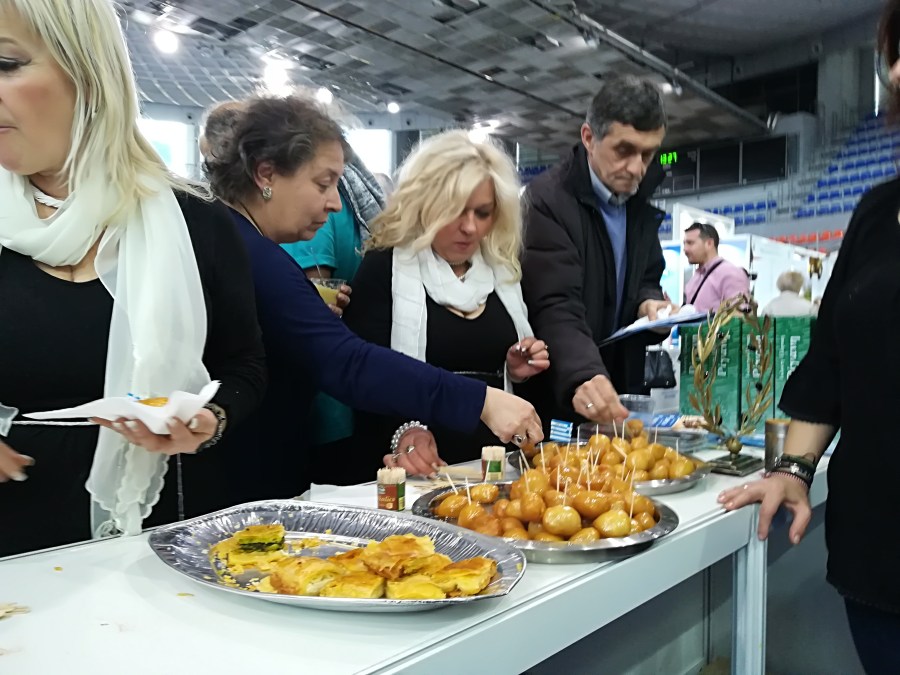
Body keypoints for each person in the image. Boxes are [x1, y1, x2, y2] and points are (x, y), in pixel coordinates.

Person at [0, 0, 266, 556]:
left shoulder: (196, 221)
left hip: (162, 531)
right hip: (16, 545)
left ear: (87, 70)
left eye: (6, 64)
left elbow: (244, 366)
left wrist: (211, 418)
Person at [204, 94, 543, 495]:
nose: (335, 203)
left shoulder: (237, 243)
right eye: (324, 183)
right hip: (240, 481)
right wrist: (481, 401)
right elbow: (348, 362)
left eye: (482, 212)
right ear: (266, 174)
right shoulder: (253, 255)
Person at [720, 3, 900, 670]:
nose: (898, 71)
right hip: (879, 563)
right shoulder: (877, 212)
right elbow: (830, 368)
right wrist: (792, 469)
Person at [342, 131, 549, 483]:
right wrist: (404, 431)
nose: (469, 227)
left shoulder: (504, 272)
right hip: (415, 473)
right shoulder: (385, 268)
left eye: (482, 213)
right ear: (424, 204)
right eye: (454, 211)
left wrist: (516, 371)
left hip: (494, 471)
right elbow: (366, 379)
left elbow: (515, 391)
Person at [520, 75, 672, 428]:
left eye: (648, 154)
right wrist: (583, 374)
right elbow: (554, 303)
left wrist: (648, 302)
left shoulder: (638, 204)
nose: (637, 168)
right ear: (589, 138)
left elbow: (647, 275)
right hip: (564, 398)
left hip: (620, 391)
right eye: (624, 150)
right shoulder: (546, 201)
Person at [280, 146, 386, 455]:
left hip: (325, 399)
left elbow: (315, 298)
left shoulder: (315, 216)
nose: (334, 201)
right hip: (353, 385)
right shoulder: (356, 195)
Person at [682, 222, 750, 312]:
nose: (685, 249)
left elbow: (739, 316)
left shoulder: (730, 274)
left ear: (709, 243)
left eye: (690, 243)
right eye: (684, 243)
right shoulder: (696, 277)